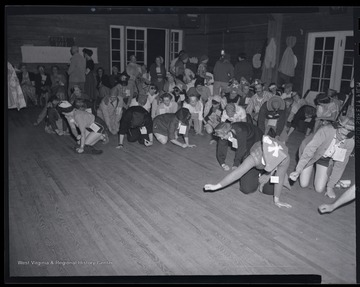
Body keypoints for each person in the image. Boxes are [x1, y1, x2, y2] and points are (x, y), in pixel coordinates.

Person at [204, 135, 292, 208]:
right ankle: (258, 176)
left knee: (269, 191)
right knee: (246, 189)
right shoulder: (255, 156)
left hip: (271, 170)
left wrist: (277, 200)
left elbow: (279, 179)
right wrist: (216, 186)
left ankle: (264, 177)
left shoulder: (284, 158)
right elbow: (237, 173)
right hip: (255, 166)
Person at [289, 116, 355, 199]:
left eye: (347, 136)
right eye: (342, 134)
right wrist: (298, 170)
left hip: (326, 158)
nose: (343, 138)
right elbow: (309, 152)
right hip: (311, 154)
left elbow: (340, 165)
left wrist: (330, 187)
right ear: (338, 126)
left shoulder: (350, 142)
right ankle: (308, 167)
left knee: (319, 189)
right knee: (303, 184)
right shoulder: (326, 131)